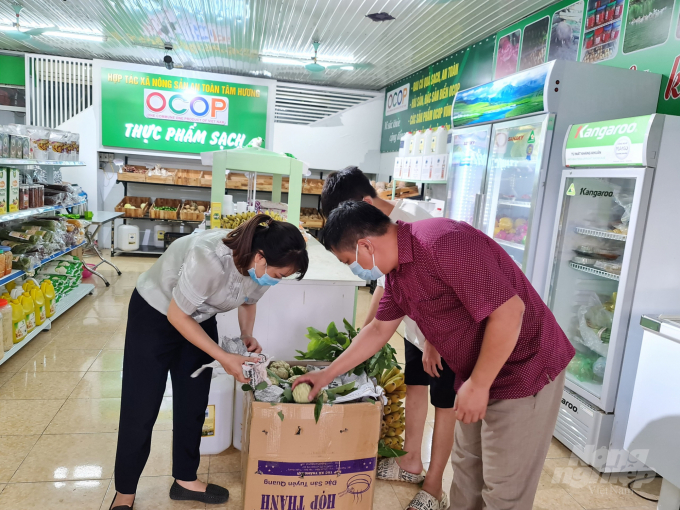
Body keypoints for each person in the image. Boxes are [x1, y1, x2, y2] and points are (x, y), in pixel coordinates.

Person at [294, 201, 574, 510]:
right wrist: (326, 374)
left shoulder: (443, 242)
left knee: (503, 490)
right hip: (476, 372)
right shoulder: (398, 273)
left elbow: (509, 313)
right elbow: (377, 330)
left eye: (349, 260)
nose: (354, 268)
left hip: (524, 369)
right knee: (467, 472)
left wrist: (479, 385)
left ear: (365, 245)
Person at [110, 214, 308, 510]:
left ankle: (185, 479)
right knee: (141, 405)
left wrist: (246, 334)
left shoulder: (261, 267)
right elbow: (177, 316)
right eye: (278, 275)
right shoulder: (209, 256)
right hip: (155, 314)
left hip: (199, 319)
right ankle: (124, 492)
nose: (275, 281)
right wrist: (224, 357)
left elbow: (249, 301)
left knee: (193, 401)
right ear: (260, 257)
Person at [321, 167, 455, 510]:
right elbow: (384, 293)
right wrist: (360, 335)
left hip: (444, 330)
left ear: (365, 203)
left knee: (444, 402)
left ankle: (435, 485)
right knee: (415, 385)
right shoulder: (379, 240)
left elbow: (445, 289)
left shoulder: (414, 221)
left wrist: (433, 340)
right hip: (413, 321)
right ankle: (411, 461)